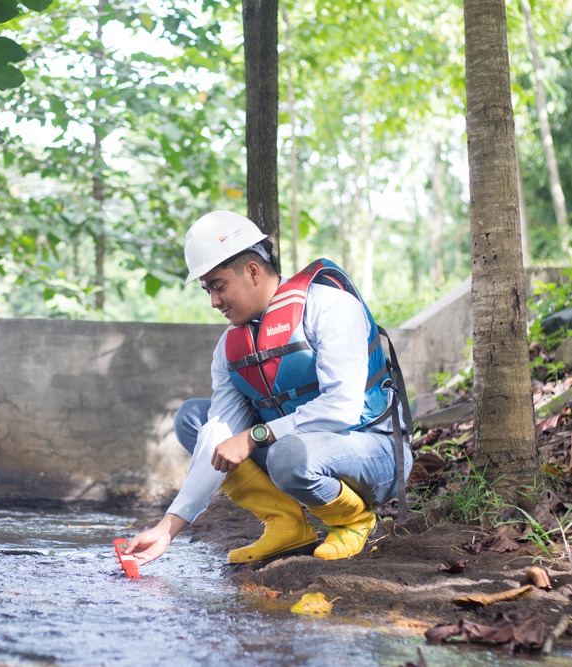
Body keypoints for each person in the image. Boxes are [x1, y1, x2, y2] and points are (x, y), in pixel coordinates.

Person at [124, 210, 411, 567]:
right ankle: (286, 525)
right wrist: (168, 527)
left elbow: (342, 409)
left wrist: (254, 435)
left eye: (218, 285)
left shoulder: (331, 307)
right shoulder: (228, 347)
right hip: (295, 452)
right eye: (207, 289)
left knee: (285, 454)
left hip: (373, 453)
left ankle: (353, 519)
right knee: (194, 420)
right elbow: (218, 433)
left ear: (253, 271)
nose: (213, 301)